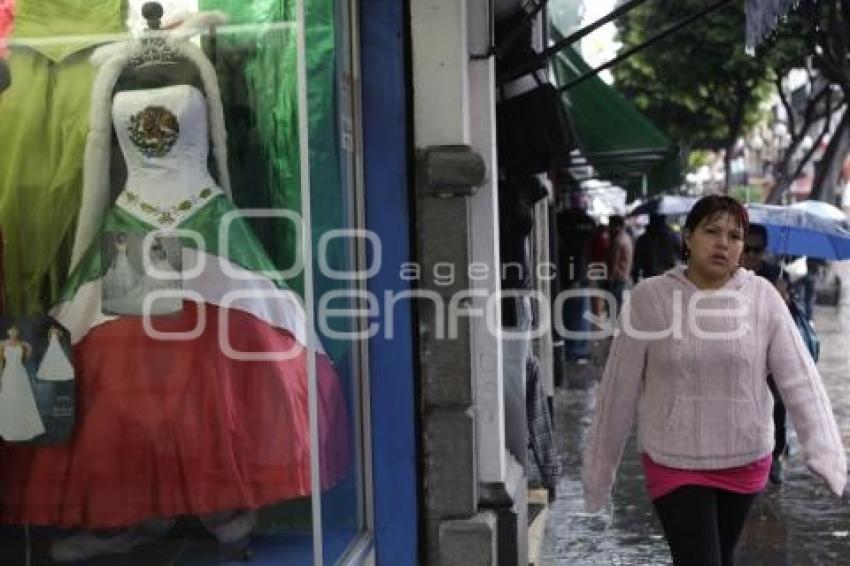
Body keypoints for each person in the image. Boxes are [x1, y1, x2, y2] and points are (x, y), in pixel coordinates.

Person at [582, 195, 846, 566]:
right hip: (673, 460)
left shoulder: (763, 298)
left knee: (721, 556)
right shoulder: (651, 299)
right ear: (688, 238)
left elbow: (801, 380)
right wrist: (599, 473)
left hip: (745, 458)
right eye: (712, 231)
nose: (724, 243)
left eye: (735, 236)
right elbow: (618, 390)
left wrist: (826, 453)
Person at [740, 223, 789, 484]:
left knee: (777, 404)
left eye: (755, 250)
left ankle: (777, 455)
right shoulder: (729, 274)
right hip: (739, 352)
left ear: (764, 251)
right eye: (745, 248)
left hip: (771, 353)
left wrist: (783, 298)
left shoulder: (776, 274)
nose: (749, 255)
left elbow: (787, 321)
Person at [632, 213, 682, 281]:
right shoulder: (673, 237)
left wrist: (635, 279)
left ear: (651, 220)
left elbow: (636, 262)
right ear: (664, 220)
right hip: (669, 278)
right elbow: (682, 256)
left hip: (649, 278)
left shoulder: (643, 239)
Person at [605, 215, 632, 317]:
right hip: (624, 275)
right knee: (618, 303)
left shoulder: (617, 241)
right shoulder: (627, 237)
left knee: (614, 305)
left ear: (616, 226)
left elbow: (614, 262)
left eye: (610, 224)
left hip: (616, 277)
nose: (609, 227)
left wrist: (610, 277)